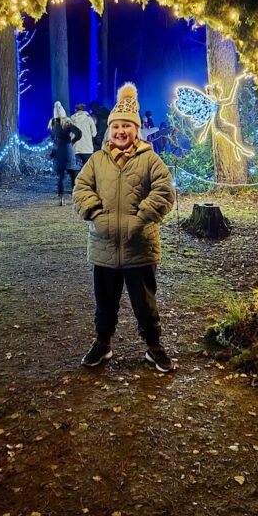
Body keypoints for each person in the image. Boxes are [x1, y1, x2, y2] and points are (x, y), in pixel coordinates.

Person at [73, 83, 177, 373]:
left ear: (136, 130)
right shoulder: (96, 160)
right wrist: (95, 213)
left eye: (127, 127)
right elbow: (81, 189)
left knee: (144, 303)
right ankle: (102, 343)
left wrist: (140, 217)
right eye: (116, 126)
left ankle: (154, 346)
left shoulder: (150, 159)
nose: (121, 131)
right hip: (104, 246)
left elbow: (164, 191)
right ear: (109, 130)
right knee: (105, 302)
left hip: (139, 246)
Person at [49, 102, 82, 206]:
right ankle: (74, 196)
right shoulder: (67, 124)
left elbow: (54, 141)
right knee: (73, 174)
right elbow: (79, 133)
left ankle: (61, 198)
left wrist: (52, 154)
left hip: (59, 151)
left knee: (61, 177)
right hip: (68, 150)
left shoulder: (53, 125)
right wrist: (73, 141)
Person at [70, 103, 97, 168]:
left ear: (75, 110)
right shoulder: (89, 119)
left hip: (75, 149)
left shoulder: (71, 119)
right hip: (87, 149)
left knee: (76, 170)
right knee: (88, 170)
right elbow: (94, 134)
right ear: (84, 109)